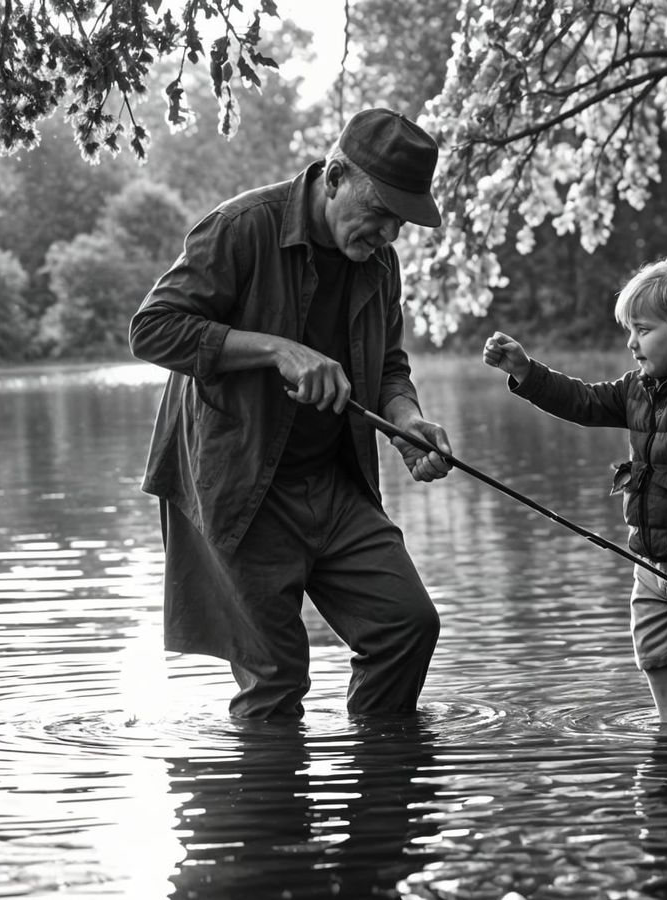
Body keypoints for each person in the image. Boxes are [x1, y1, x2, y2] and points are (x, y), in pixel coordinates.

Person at [128, 107, 453, 719]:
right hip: (236, 480)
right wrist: (279, 351)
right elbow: (151, 329)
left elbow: (387, 366)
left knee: (406, 625)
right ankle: (270, 810)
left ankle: (382, 784)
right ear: (333, 178)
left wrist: (407, 420)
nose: (388, 233)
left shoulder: (379, 261)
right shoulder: (241, 227)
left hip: (333, 480)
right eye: (380, 212)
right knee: (275, 685)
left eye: (400, 222)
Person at [482, 257, 667, 733]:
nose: (631, 343)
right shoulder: (640, 388)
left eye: (642, 330)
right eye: (629, 331)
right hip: (653, 556)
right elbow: (584, 401)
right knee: (655, 652)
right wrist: (526, 371)